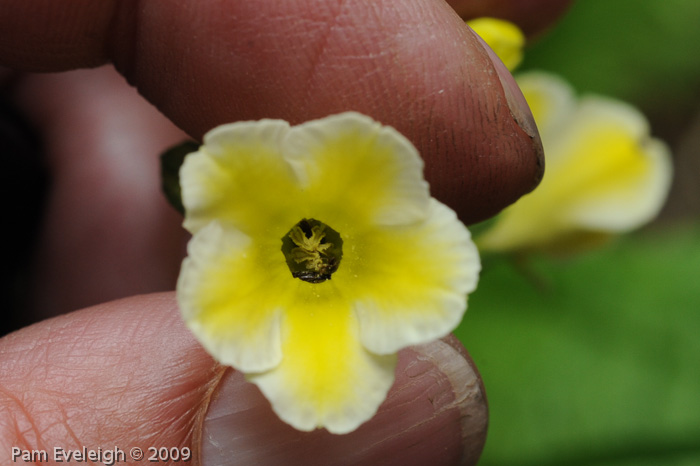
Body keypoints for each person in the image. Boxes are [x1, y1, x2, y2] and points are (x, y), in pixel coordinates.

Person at [0, 1, 567, 464]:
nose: (313, 250)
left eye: (315, 246)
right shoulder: (252, 185)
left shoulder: (337, 175)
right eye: (309, 246)